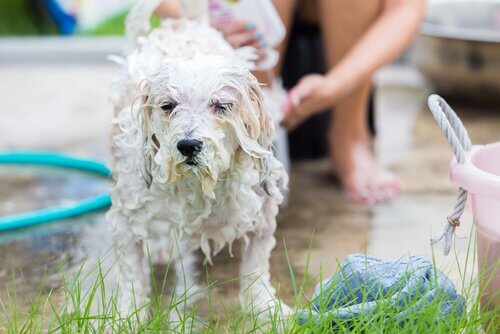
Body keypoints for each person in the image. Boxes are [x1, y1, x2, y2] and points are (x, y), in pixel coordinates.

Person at [157, 0, 426, 204]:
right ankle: (252, 135)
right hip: (247, 37)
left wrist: (336, 86)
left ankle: (349, 134)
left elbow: (405, 9)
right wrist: (206, 25)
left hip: (344, 36)